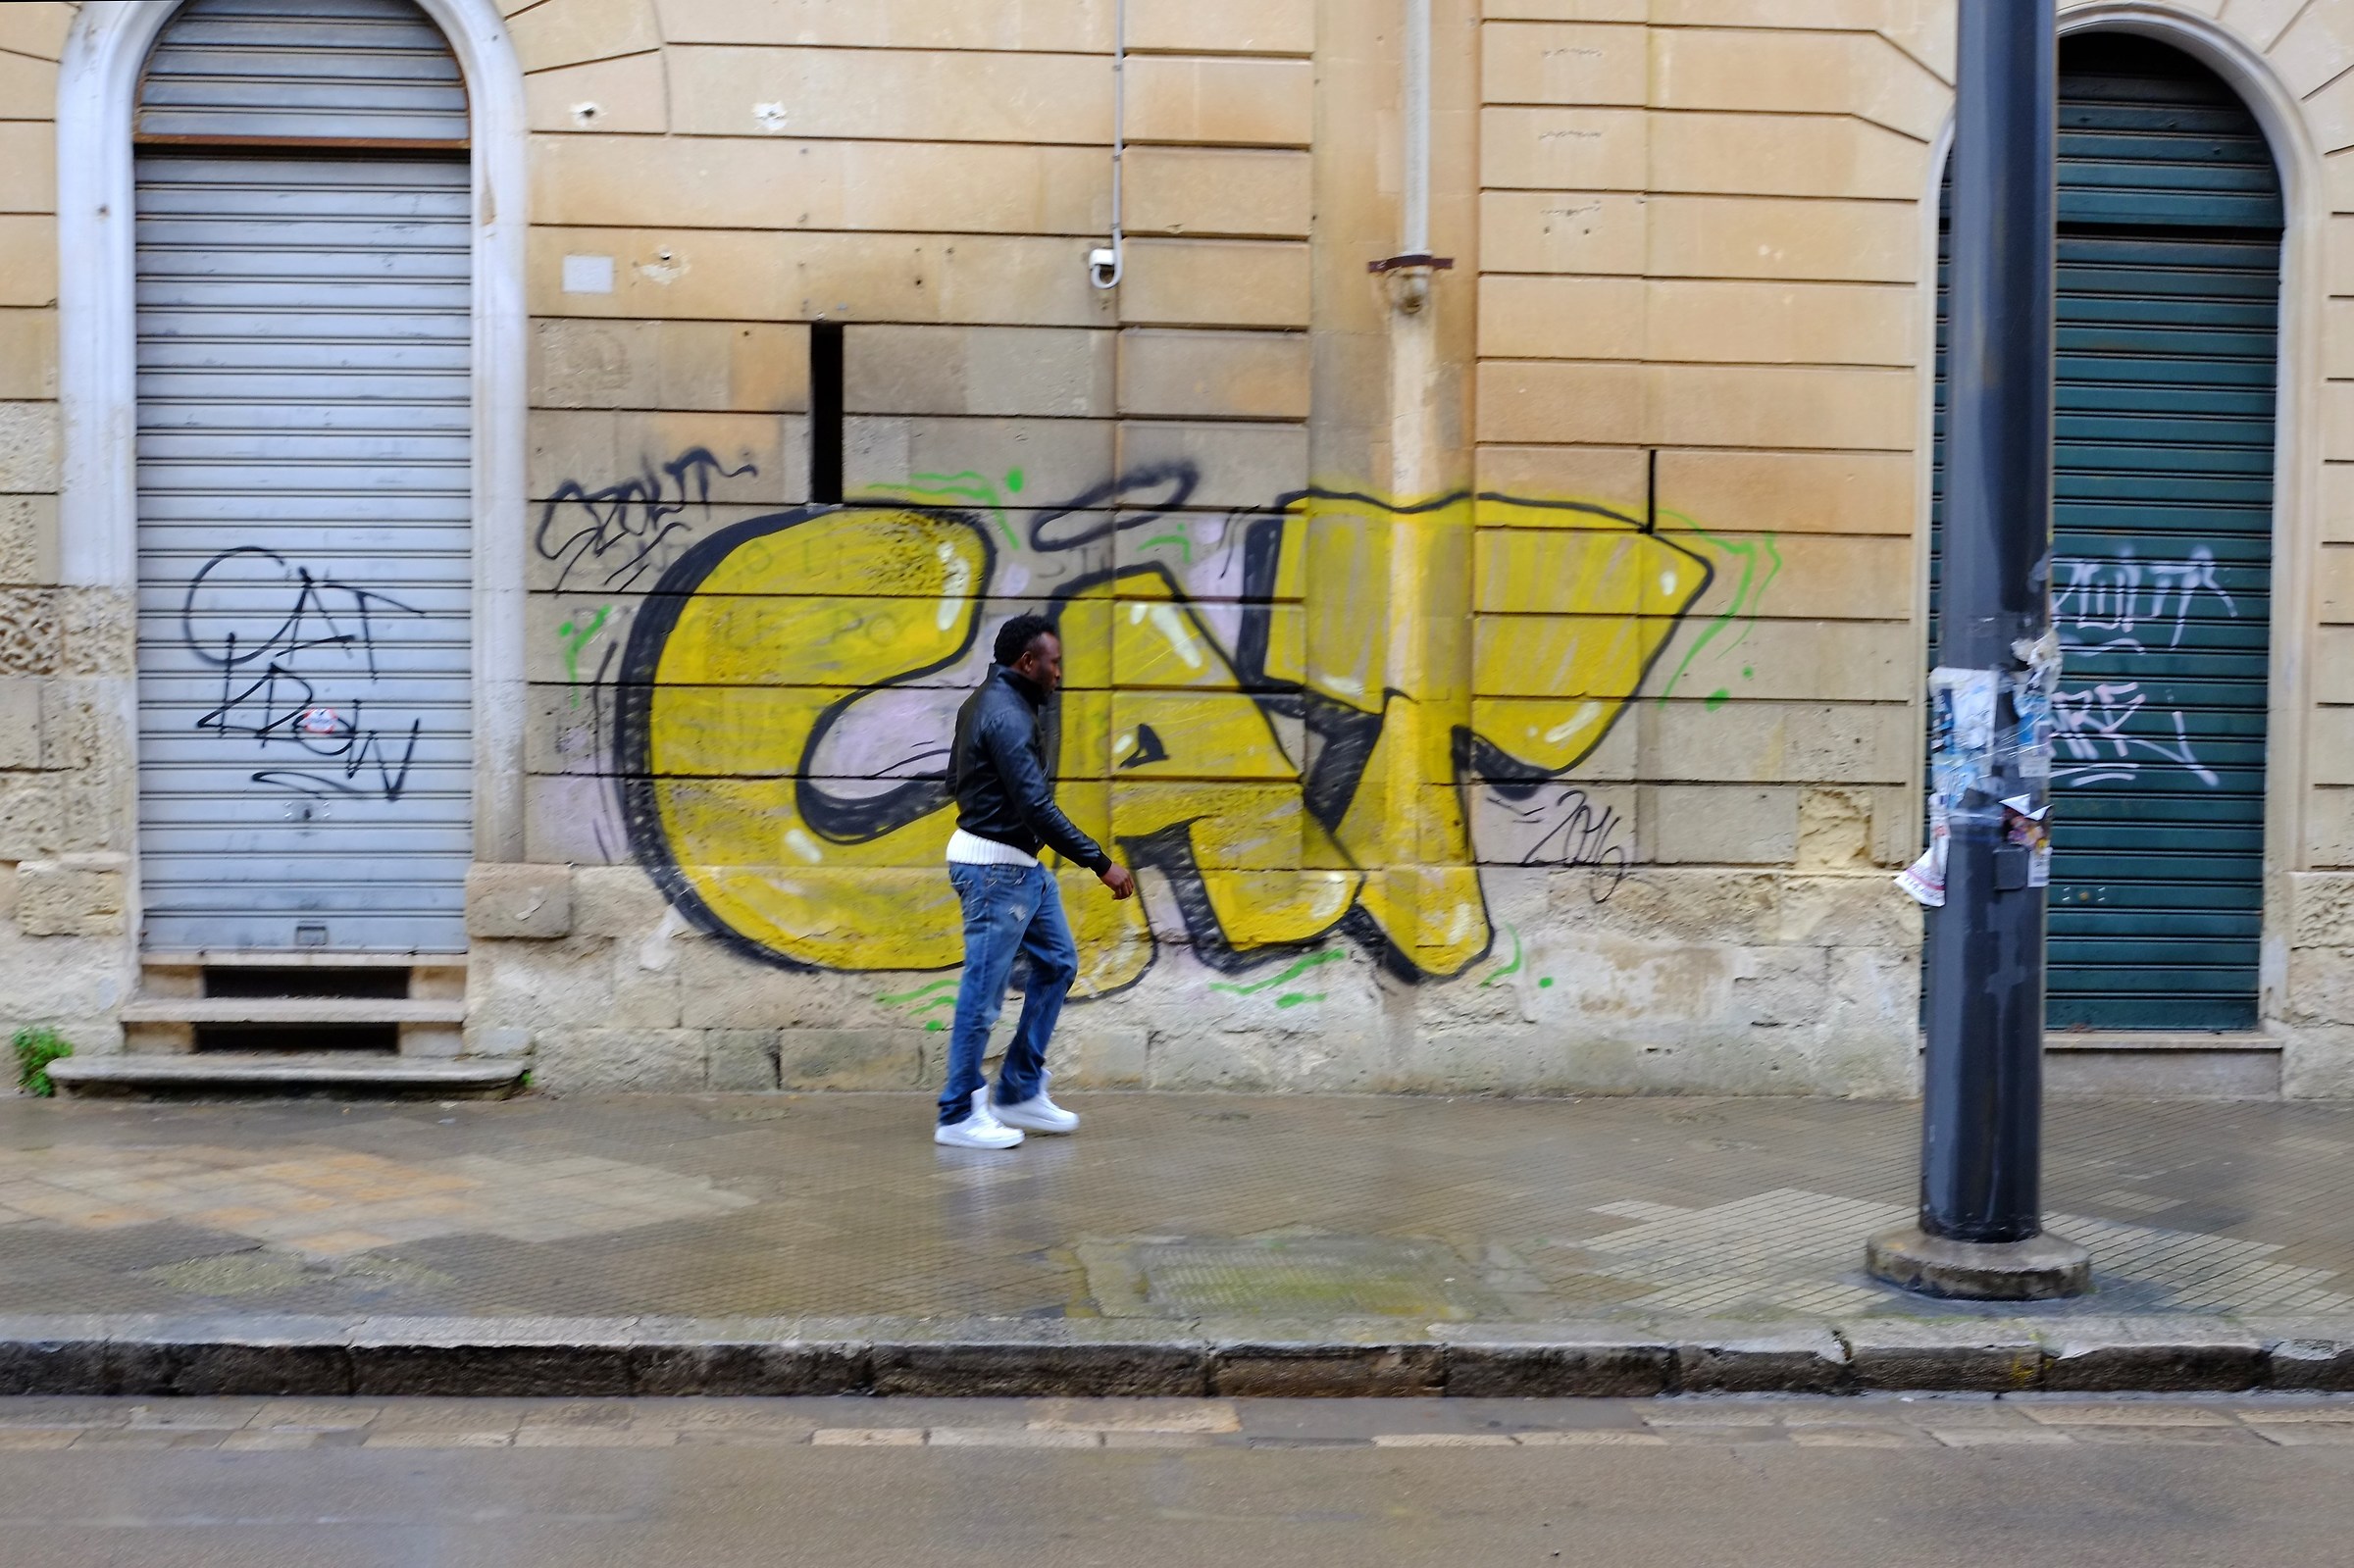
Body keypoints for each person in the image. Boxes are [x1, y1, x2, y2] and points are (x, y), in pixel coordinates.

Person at [935, 613, 1137, 1148]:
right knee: (983, 996)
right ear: (1028, 662)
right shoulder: (1007, 715)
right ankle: (957, 1114)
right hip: (995, 872)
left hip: (1018, 867)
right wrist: (1101, 863)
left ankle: (1020, 1091)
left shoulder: (990, 702)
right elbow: (1036, 807)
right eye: (1055, 663)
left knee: (1057, 963)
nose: (1060, 673)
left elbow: (955, 780)